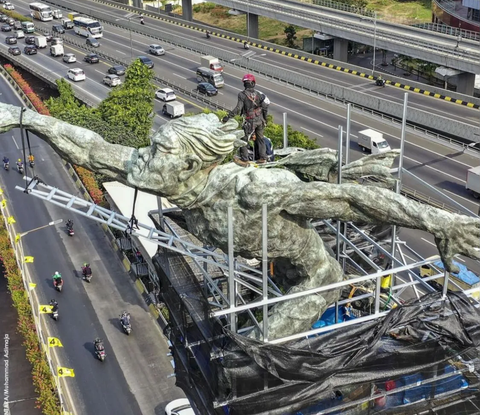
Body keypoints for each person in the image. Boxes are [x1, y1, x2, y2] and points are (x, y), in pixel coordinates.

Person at [0, 104, 478, 340]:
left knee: (260, 345)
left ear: (189, 163)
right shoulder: (173, 179)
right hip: (268, 265)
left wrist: (437, 220)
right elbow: (90, 147)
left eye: (157, 152)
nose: (140, 160)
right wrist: (25, 117)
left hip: (313, 272)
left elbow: (350, 200)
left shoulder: (250, 190)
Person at [222, 74, 269, 166]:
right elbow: (265, 107)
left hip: (250, 121)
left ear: (244, 84)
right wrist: (265, 119)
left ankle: (244, 159)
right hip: (260, 120)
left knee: (243, 139)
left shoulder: (242, 95)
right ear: (253, 83)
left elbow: (238, 109)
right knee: (260, 139)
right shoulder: (259, 94)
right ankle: (263, 158)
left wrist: (228, 117)